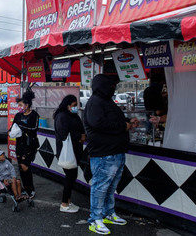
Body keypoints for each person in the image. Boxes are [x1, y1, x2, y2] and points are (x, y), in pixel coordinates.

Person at [84, 74, 139, 235]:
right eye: (112, 85)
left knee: (110, 187)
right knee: (100, 187)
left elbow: (112, 119)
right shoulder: (95, 102)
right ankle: (95, 219)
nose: (114, 88)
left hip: (115, 151)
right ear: (104, 85)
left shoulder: (106, 101)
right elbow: (99, 123)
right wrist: (124, 126)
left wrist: (128, 121)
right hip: (103, 153)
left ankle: (108, 213)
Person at [54, 94, 85, 213]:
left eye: (76, 105)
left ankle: (68, 201)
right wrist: (79, 136)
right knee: (70, 177)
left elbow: (81, 128)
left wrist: (82, 135)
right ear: (67, 106)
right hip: (66, 152)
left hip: (75, 151)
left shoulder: (74, 116)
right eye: (73, 105)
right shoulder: (61, 116)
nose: (75, 107)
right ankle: (64, 204)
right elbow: (63, 134)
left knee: (72, 177)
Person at [12, 89, 39, 197]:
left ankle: (30, 188)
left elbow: (33, 128)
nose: (18, 107)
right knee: (20, 166)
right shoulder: (18, 116)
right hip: (19, 144)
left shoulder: (34, 115)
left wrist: (20, 125)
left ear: (27, 105)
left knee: (25, 166)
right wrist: (11, 131)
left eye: (20, 105)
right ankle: (25, 187)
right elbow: (13, 127)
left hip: (30, 145)